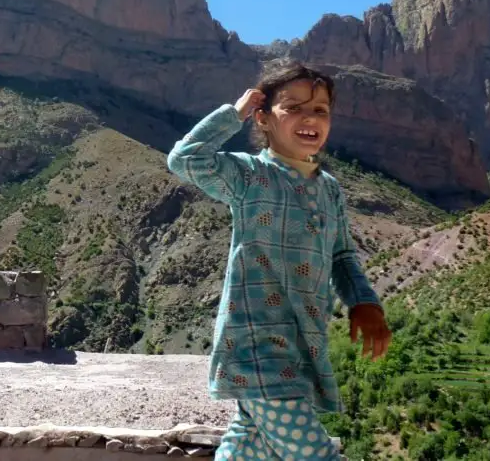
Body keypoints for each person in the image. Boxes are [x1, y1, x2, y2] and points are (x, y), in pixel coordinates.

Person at [166, 61, 391, 460]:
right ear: (264, 118)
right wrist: (231, 114)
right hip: (255, 346)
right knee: (315, 454)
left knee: (248, 447)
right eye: (294, 108)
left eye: (320, 110)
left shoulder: (330, 190)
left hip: (302, 345)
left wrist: (364, 301)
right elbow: (185, 159)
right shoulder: (249, 175)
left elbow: (342, 255)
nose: (309, 118)